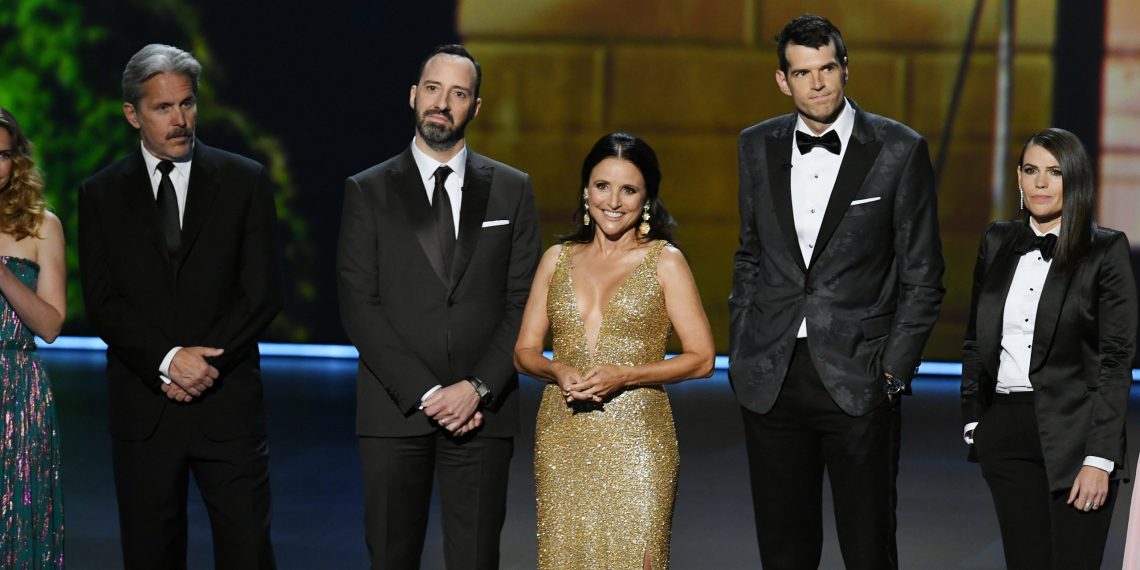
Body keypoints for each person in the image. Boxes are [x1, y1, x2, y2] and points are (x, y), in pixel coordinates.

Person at [729, 13, 945, 569]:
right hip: (772, 373)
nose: (818, 83)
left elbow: (923, 274)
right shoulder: (755, 146)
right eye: (803, 73)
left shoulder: (898, 149)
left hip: (860, 374)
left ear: (846, 69)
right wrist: (744, 345)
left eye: (827, 68)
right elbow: (750, 254)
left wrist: (892, 372)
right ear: (783, 81)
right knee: (784, 549)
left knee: (868, 547)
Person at [337, 44, 541, 569]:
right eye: (432, 88)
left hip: (484, 412)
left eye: (458, 93)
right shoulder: (367, 190)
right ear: (413, 96)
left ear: (476, 106)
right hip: (395, 409)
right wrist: (429, 394)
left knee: (476, 559)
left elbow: (524, 300)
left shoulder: (512, 189)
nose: (442, 103)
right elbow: (359, 305)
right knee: (391, 556)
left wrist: (475, 388)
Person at [78, 44, 282, 568]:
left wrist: (202, 365)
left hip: (228, 406)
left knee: (248, 555)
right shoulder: (101, 194)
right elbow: (103, 302)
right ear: (132, 114)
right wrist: (169, 360)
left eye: (187, 103)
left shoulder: (245, 180)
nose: (180, 120)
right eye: (163, 108)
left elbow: (261, 294)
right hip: (144, 412)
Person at [514, 132, 715, 569]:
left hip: (637, 440)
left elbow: (701, 359)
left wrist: (625, 374)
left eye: (629, 190)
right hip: (563, 436)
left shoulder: (665, 260)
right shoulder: (556, 258)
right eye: (602, 186)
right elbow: (525, 351)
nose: (614, 201)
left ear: (647, 199)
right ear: (586, 190)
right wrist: (558, 370)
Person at [961, 128, 1136, 569]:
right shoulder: (997, 240)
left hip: (1077, 434)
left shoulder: (1105, 249)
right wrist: (975, 420)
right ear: (1019, 178)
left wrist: (1100, 457)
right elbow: (976, 338)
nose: (1040, 182)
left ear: (1075, 180)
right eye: (1031, 170)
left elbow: (1116, 359)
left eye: (1055, 172)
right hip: (1006, 430)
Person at [0, 108, 66, 567]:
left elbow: (50, 326)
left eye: (3, 155)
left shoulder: (42, 225)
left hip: (19, 393)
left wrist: (3, 274)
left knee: (18, 521)